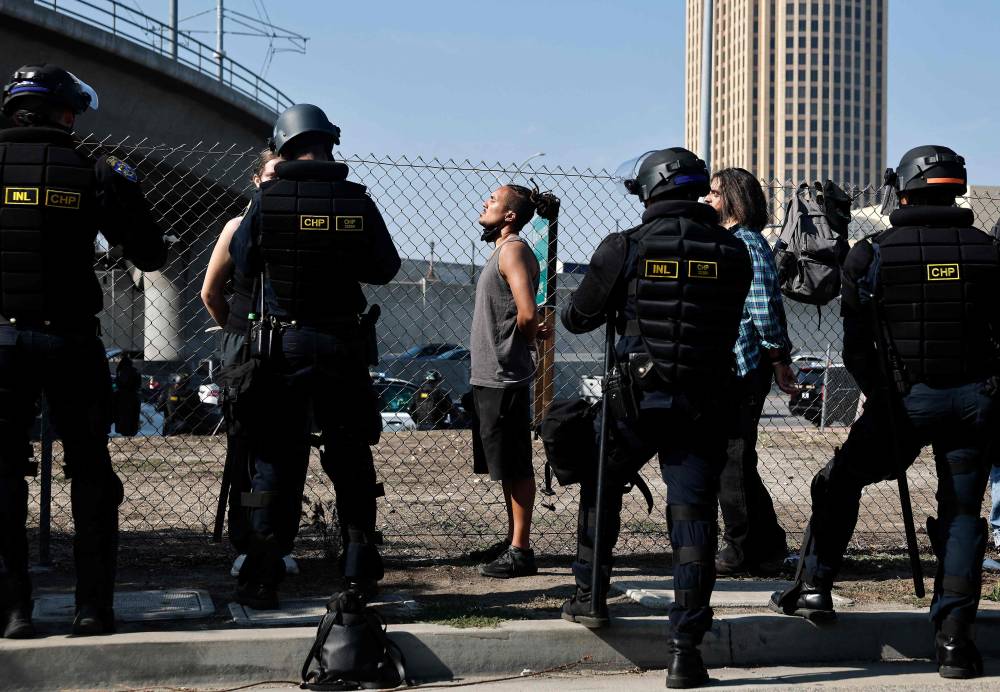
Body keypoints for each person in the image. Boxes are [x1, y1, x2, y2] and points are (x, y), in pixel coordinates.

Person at [771, 145, 1000, 680]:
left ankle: (814, 586)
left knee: (838, 481)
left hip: (902, 402)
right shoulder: (990, 252)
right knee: (964, 513)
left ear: (903, 190)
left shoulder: (871, 253)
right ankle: (954, 644)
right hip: (974, 402)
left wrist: (884, 394)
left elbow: (856, 348)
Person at [560, 148, 751, 689]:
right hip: (705, 402)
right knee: (692, 516)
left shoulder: (626, 245)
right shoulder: (733, 250)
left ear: (650, 190)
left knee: (601, 486)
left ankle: (590, 595)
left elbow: (578, 318)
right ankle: (685, 649)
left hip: (636, 401)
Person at [0, 64, 167, 637]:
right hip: (72, 342)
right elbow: (150, 254)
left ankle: (13, 610)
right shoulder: (97, 172)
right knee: (91, 476)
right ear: (65, 114)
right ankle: (92, 606)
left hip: (0, 342)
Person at [228, 104, 400, 609]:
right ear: (329, 143)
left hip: (285, 345)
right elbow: (385, 269)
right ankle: (358, 569)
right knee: (350, 456)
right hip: (343, 344)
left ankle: (262, 573)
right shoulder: (356, 201)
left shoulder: (268, 199)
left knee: (276, 460)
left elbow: (243, 263)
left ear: (282, 147)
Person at [200, 149, 301, 577]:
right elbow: (210, 292)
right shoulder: (237, 227)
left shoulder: (301, 225)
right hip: (248, 349)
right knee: (246, 450)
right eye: (271, 175)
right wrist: (237, 333)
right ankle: (250, 542)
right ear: (256, 181)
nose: (278, 182)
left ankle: (279, 542)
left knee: (291, 450)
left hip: (291, 350)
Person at [703, 168, 797, 575]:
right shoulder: (729, 242)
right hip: (731, 366)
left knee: (733, 458)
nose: (707, 199)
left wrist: (779, 359)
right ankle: (769, 544)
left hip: (745, 367)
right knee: (739, 459)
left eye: (714, 193)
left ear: (734, 200)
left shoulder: (748, 244)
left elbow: (763, 309)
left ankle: (740, 548)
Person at [470, 183, 555, 579]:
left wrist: (525, 336)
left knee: (517, 465)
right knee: (504, 464)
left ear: (509, 215)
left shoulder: (515, 249)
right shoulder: (503, 249)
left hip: (504, 375)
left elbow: (526, 311)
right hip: (492, 375)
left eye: (493, 199)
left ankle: (521, 550)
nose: (486, 201)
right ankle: (512, 540)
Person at [113, 354, 141, 437]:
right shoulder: (135, 371)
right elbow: (138, 384)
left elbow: (121, 383)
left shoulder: (121, 371)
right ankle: (131, 431)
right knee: (133, 415)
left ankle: (124, 431)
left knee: (122, 416)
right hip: (134, 397)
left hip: (123, 397)